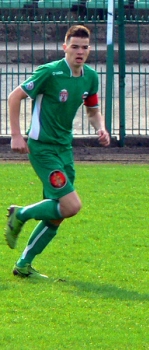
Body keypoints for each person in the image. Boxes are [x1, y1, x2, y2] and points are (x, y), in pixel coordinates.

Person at [4, 25, 111, 279]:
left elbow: (93, 110)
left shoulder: (90, 77)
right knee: (71, 205)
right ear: (64, 47)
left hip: (64, 149)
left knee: (58, 214)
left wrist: (101, 128)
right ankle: (21, 214)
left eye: (84, 47)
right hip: (42, 149)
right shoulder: (50, 73)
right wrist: (17, 135)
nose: (80, 52)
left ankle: (23, 265)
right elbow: (14, 97)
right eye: (74, 46)